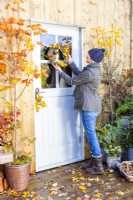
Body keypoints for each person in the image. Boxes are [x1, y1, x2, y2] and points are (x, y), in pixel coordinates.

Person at [53, 48, 105, 175]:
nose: (86, 55)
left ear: (92, 57)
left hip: (89, 107)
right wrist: (71, 63)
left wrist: (60, 71)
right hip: (91, 106)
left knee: (91, 135)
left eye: (88, 54)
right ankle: (94, 161)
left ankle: (98, 166)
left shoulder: (91, 72)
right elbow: (80, 75)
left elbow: (72, 81)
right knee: (91, 134)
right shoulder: (93, 68)